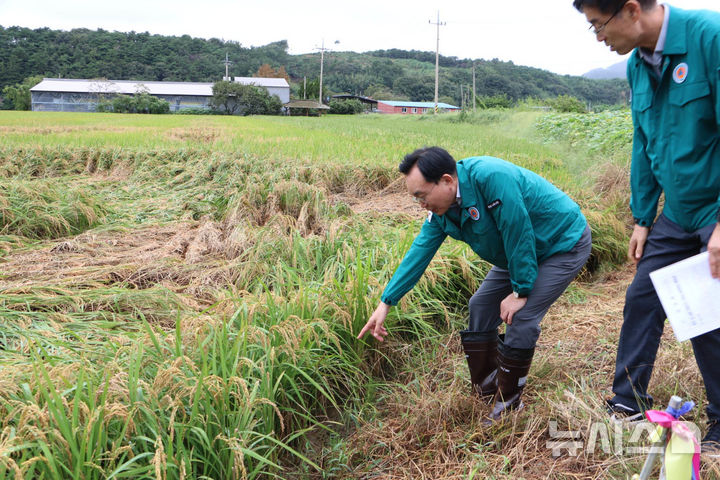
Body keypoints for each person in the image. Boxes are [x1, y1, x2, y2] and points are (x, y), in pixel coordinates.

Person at [573, 0, 720, 449]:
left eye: (598, 25)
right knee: (643, 295)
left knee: (706, 314)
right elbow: (644, 142)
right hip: (677, 211)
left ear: (631, 10)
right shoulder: (638, 65)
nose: (599, 37)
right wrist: (642, 218)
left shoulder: (708, 37)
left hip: (715, 205)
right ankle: (627, 400)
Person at [357, 147, 591, 421]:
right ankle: (488, 385)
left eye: (421, 196)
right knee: (480, 305)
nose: (420, 204)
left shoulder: (491, 177)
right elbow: (419, 252)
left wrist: (519, 290)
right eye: (415, 198)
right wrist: (387, 302)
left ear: (446, 181)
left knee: (521, 316)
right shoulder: (443, 211)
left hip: (560, 243)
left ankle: (509, 404)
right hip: (515, 253)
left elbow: (518, 230)